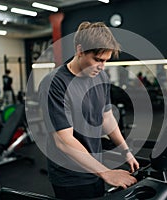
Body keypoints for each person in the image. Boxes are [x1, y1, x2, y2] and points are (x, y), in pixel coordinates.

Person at [38, 21, 139, 199]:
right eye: (98, 60)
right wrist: (106, 172)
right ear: (79, 50)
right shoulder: (55, 83)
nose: (102, 66)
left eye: (105, 61)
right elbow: (63, 140)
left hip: (95, 166)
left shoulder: (101, 77)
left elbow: (107, 118)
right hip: (70, 175)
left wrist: (126, 151)